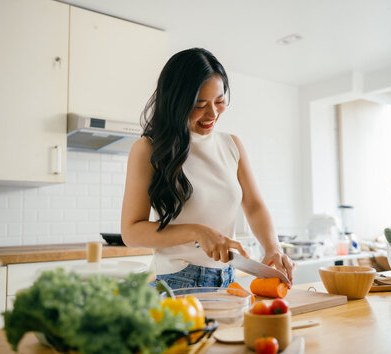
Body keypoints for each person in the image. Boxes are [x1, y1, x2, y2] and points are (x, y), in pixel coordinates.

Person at [121, 48, 294, 289]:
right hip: (177, 281)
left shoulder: (232, 145)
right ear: (176, 102)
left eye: (220, 101)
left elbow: (253, 205)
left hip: (228, 279)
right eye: (199, 104)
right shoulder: (148, 149)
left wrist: (273, 247)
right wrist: (196, 232)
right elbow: (131, 232)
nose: (212, 113)